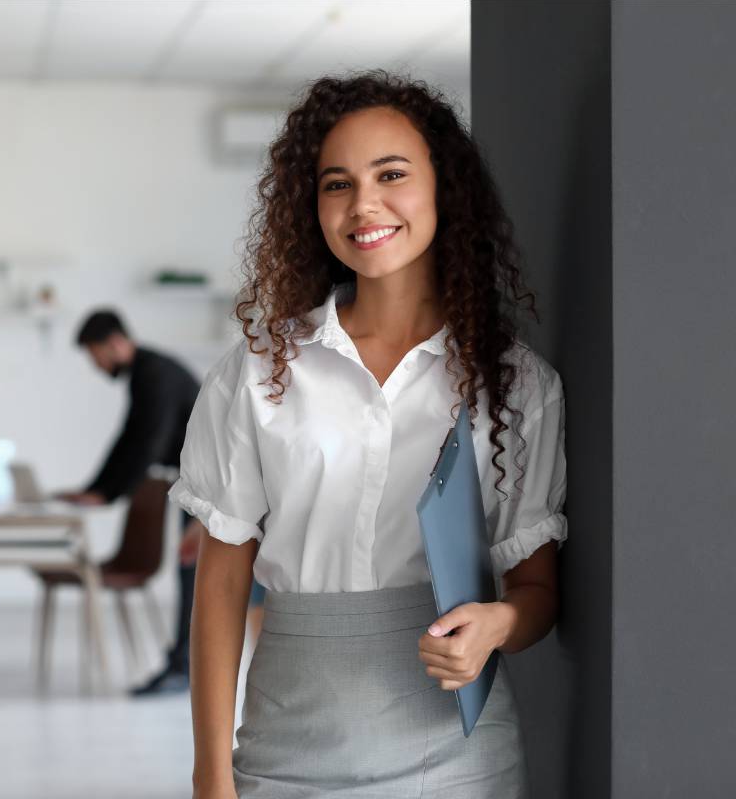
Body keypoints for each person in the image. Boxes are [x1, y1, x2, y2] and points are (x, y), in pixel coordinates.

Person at [179, 72, 567, 798]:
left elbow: (538, 588)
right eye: (338, 184)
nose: (363, 205)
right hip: (283, 746)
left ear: (444, 187)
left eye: (391, 174)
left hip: (459, 758)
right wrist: (210, 776)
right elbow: (222, 581)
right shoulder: (259, 372)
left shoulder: (519, 385)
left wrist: (498, 625)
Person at [60, 310, 201, 696]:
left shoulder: (154, 374)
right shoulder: (146, 372)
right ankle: (183, 665)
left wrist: (106, 493)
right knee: (191, 577)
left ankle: (185, 668)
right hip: (197, 480)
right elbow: (130, 438)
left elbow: (147, 444)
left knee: (194, 578)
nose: (96, 365)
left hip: (209, 483)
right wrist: (97, 490)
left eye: (95, 355)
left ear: (116, 343)